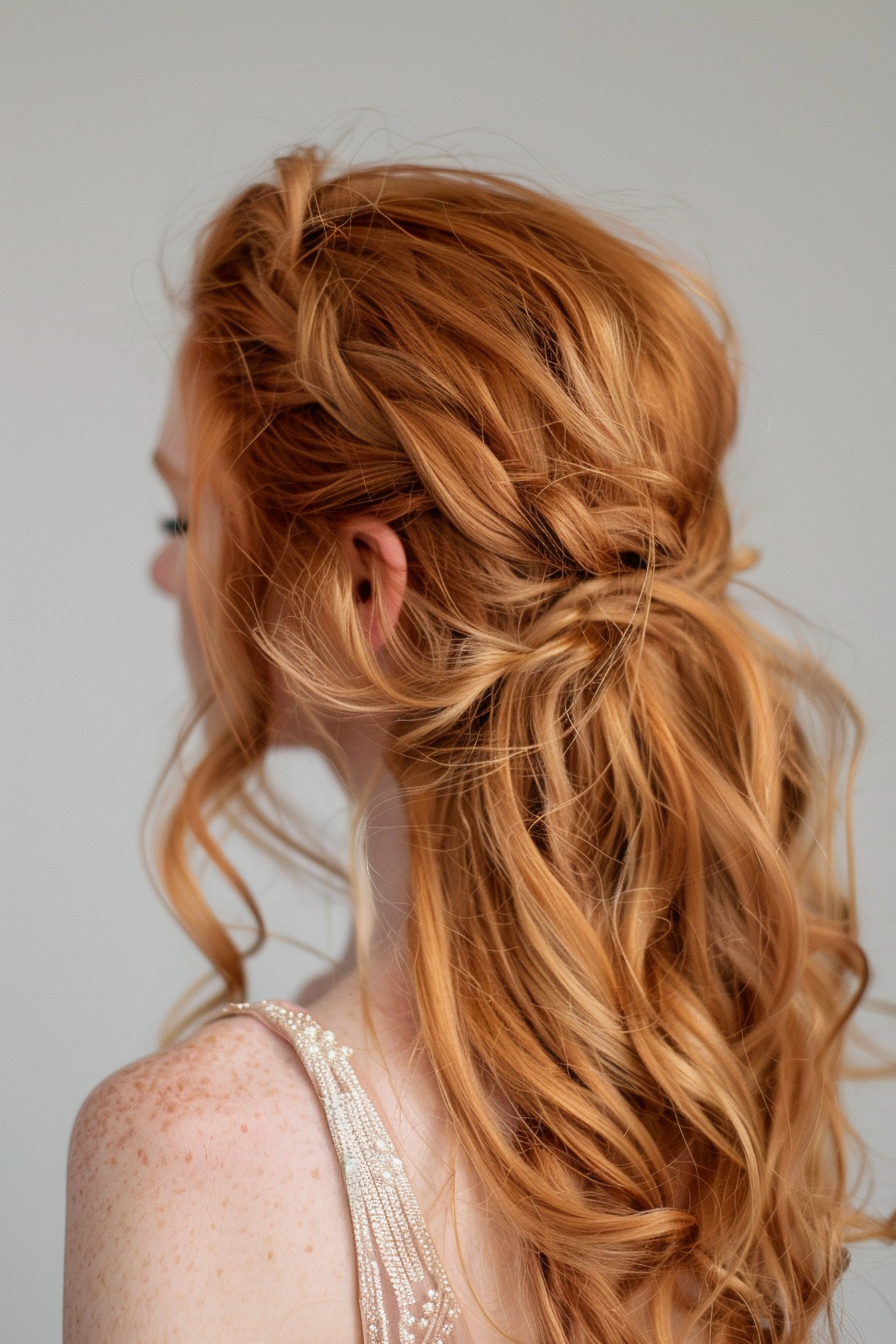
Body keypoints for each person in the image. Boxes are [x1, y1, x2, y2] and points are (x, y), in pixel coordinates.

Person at [63, 147, 893, 1344]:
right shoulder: (691, 1095)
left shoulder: (191, 1146)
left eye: (181, 516)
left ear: (362, 591)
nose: (161, 569)